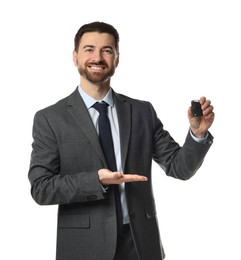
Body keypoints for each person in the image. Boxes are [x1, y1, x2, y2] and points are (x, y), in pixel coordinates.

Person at [28, 21, 215, 260]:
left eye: (107, 50)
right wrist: (96, 180)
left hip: (140, 246)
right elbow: (41, 188)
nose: (98, 57)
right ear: (75, 57)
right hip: (85, 248)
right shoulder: (50, 118)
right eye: (89, 49)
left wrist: (197, 134)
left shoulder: (142, 111)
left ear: (117, 58)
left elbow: (179, 167)